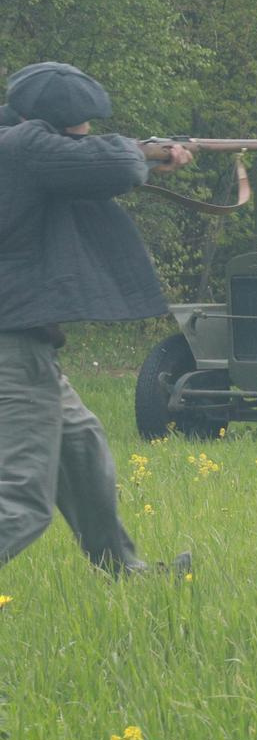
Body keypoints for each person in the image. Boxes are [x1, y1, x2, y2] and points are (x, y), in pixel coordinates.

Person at [0, 61, 194, 574]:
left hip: (25, 343)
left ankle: (124, 572)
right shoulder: (26, 147)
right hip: (12, 345)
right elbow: (116, 166)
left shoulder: (17, 146)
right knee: (21, 501)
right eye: (82, 124)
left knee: (82, 449)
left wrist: (147, 156)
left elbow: (85, 166)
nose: (87, 130)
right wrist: (142, 153)